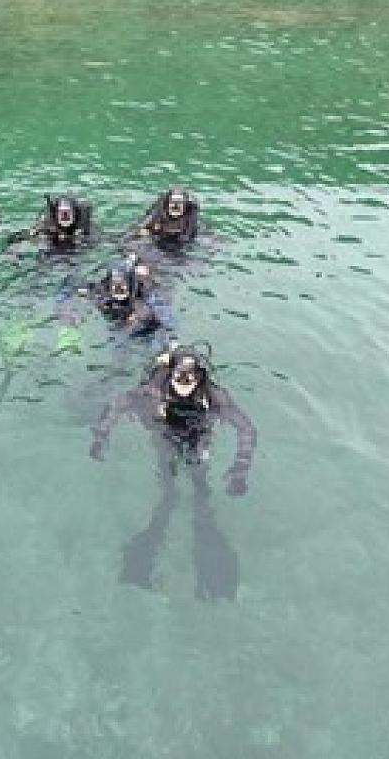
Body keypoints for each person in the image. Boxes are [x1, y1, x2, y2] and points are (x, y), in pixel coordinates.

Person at [90, 341, 256, 597]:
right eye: (180, 376)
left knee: (200, 485)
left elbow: (247, 429)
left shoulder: (214, 397)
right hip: (164, 434)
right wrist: (100, 438)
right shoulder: (153, 392)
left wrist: (240, 467)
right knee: (169, 487)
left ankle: (203, 519)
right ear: (170, 374)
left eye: (192, 377)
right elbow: (117, 405)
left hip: (199, 436)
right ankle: (161, 519)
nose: (186, 383)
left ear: (201, 377)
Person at [77, 253, 173, 338]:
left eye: (122, 285)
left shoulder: (145, 295)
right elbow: (79, 291)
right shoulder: (101, 292)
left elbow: (163, 317)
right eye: (115, 286)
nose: (119, 289)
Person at [6, 194, 94, 255]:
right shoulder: (45, 228)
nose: (65, 216)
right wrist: (12, 252)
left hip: (76, 256)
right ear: (56, 214)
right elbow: (17, 237)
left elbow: (98, 241)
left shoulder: (85, 229)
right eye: (62, 213)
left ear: (75, 214)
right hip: (51, 255)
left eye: (67, 213)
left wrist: (80, 239)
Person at [133, 185, 199, 251]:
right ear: (167, 204)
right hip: (156, 244)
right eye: (173, 202)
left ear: (185, 206)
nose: (176, 205)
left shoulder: (190, 221)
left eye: (180, 202)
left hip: (180, 247)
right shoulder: (156, 216)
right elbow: (138, 231)